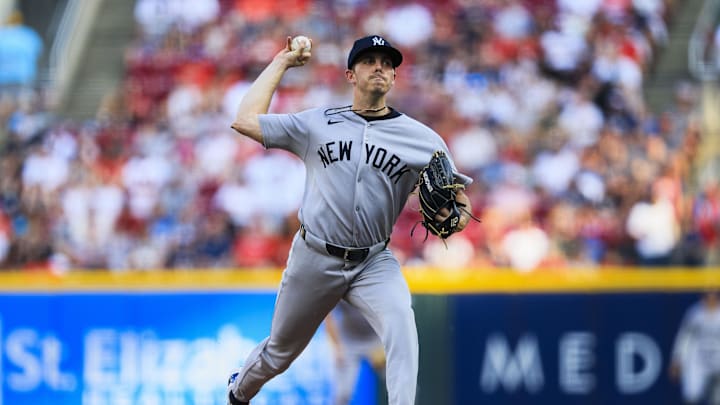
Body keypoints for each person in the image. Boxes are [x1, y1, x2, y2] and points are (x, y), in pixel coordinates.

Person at [225, 34, 475, 405]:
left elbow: (462, 206)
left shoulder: (424, 140)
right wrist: (281, 62)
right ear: (350, 75)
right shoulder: (317, 124)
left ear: (393, 78)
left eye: (387, 63)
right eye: (370, 61)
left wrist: (455, 219)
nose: (380, 67)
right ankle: (238, 393)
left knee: (402, 330)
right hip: (314, 258)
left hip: (373, 261)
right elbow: (245, 121)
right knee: (280, 352)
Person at [325, 300, 386, 405]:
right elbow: (327, 315)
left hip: (376, 339)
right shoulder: (341, 285)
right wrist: (337, 347)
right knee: (342, 394)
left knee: (402, 385)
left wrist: (385, 342)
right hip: (348, 342)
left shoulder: (381, 285)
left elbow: (395, 311)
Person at [669, 290, 720, 404]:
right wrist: (677, 359)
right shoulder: (696, 313)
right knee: (692, 396)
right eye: (708, 297)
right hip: (698, 360)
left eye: (714, 297)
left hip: (718, 360)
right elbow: (684, 338)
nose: (711, 300)